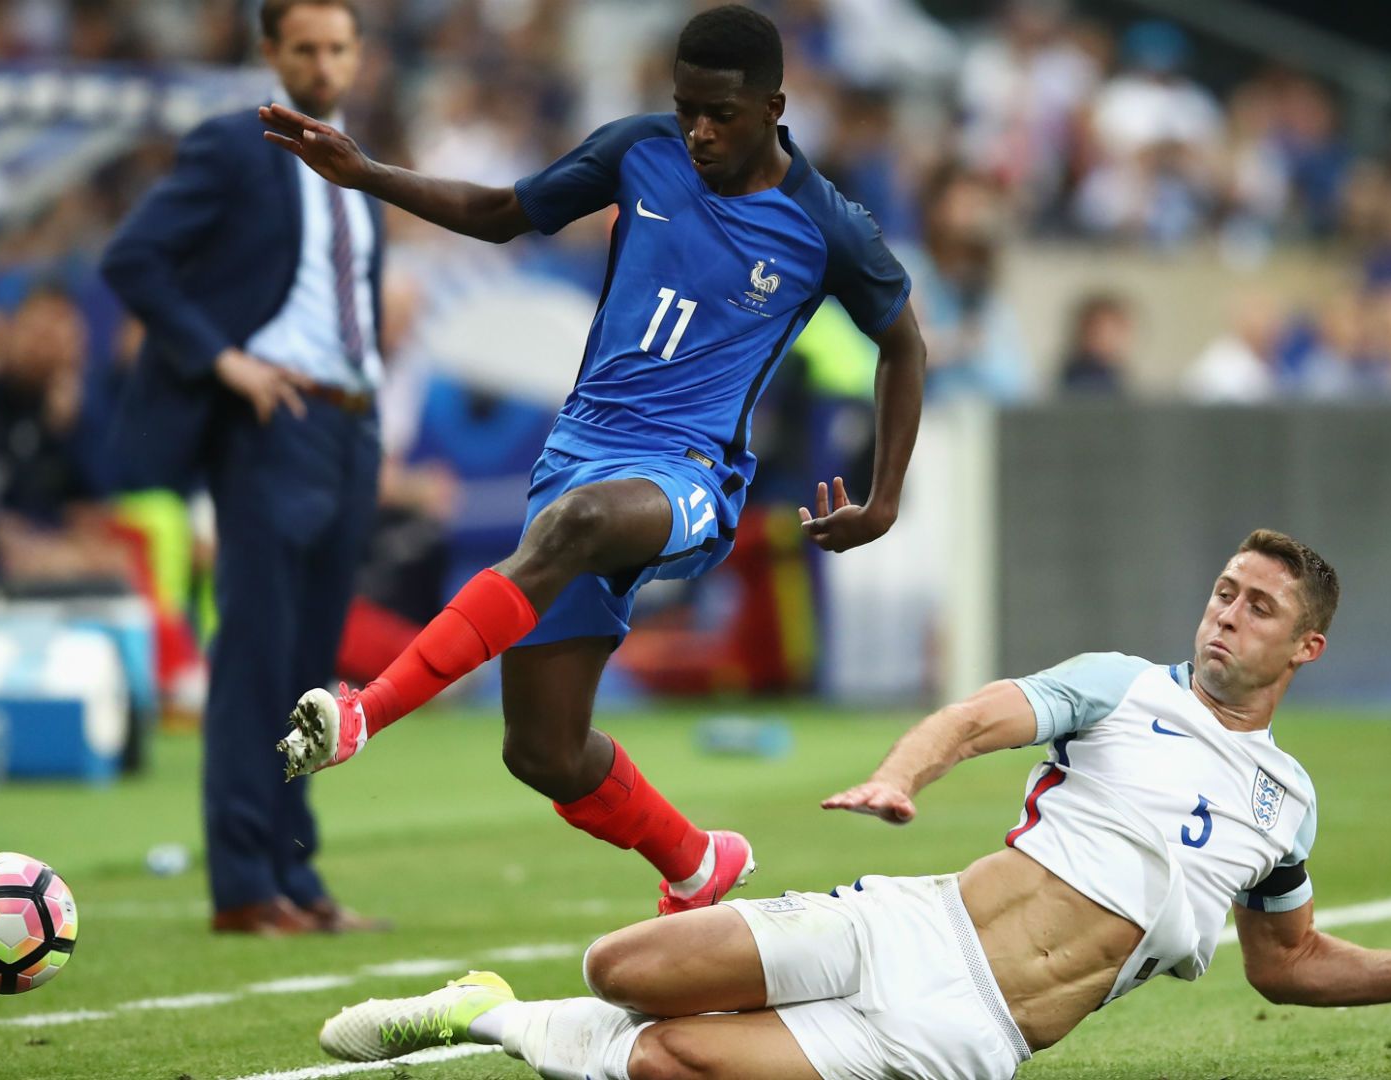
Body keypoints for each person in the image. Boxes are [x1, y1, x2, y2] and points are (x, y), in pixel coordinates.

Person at [309, 529, 1391, 1079]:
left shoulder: (1288, 804)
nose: (1226, 613)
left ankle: (493, 1021)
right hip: (913, 923)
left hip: (968, 1040)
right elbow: (978, 715)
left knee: (680, 1060)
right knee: (624, 966)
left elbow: (1289, 963)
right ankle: (493, 1004)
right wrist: (905, 773)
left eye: (1259, 607)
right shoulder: (1121, 688)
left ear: (1304, 649)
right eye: (1223, 590)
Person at [267, 4, 926, 915]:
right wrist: (366, 173)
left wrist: (883, 498)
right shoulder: (638, 151)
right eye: (686, 106)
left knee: (574, 526)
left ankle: (363, 712)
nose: (697, 130)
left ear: (776, 105)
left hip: (691, 477)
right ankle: (697, 863)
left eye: (721, 114)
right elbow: (504, 216)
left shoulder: (826, 224)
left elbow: (905, 346)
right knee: (541, 750)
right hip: (579, 453)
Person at [99, 0, 387, 936]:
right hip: (273, 421)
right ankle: (242, 886)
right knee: (256, 660)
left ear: (357, 54)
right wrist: (224, 359)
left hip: (349, 424)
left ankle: (295, 876)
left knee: (312, 670)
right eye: (303, 47)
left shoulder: (356, 159)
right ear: (269, 53)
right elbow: (132, 258)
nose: (322, 64)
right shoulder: (234, 145)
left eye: (337, 47)